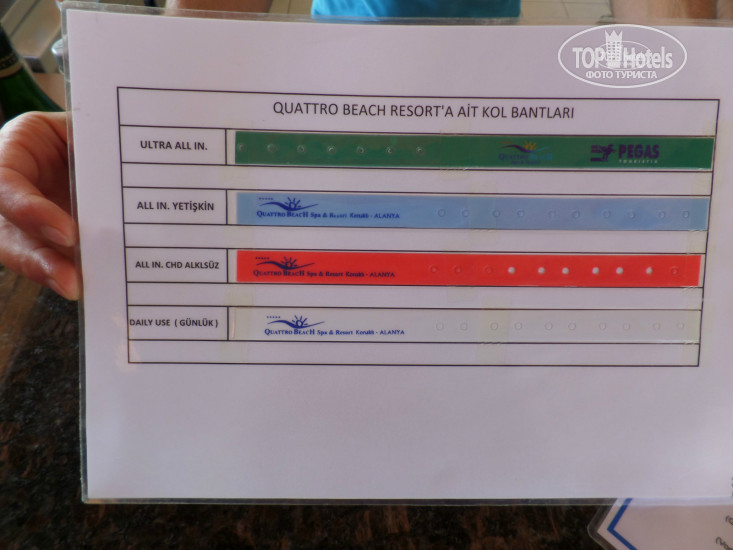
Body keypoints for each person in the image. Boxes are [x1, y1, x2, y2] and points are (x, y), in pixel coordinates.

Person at [0, 0, 722, 300]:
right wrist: (141, 155)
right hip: (344, 68)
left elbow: (669, 35)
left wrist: (701, 138)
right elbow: (212, 20)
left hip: (488, 70)